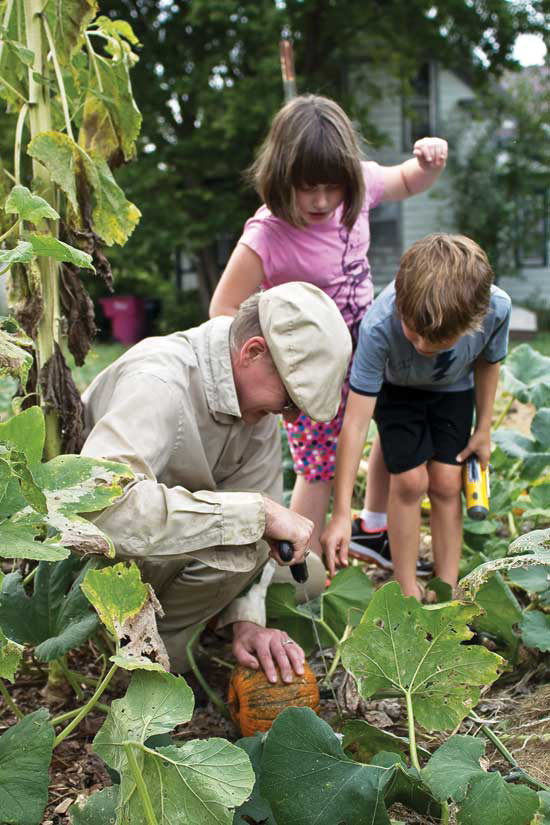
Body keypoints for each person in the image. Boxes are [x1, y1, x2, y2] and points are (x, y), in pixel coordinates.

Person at [209, 93, 448, 565]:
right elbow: (223, 308)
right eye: (307, 188)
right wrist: (277, 360)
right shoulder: (268, 234)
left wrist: (429, 162)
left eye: (330, 188)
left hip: (372, 349)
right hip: (314, 373)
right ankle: (300, 568)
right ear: (280, 179)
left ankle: (373, 528)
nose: (321, 201)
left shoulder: (355, 184)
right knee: (318, 469)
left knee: (386, 431)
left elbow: (407, 179)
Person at [80, 282, 351, 683]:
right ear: (253, 352)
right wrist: (249, 515)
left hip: (177, 556)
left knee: (305, 572)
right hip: (103, 567)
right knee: (247, 536)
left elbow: (265, 534)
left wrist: (247, 621)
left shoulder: (255, 406)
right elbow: (98, 510)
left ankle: (211, 622)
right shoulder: (157, 382)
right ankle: (143, 658)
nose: (292, 419)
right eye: (291, 400)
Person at [321, 233, 512, 600]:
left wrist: (484, 428)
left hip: (454, 389)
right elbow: (357, 421)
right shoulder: (379, 324)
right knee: (409, 482)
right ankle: (406, 585)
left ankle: (448, 586)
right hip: (398, 392)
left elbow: (489, 363)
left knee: (446, 482)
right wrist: (342, 512)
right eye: (413, 331)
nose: (422, 346)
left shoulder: (496, 309)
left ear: (474, 321)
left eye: (437, 341)